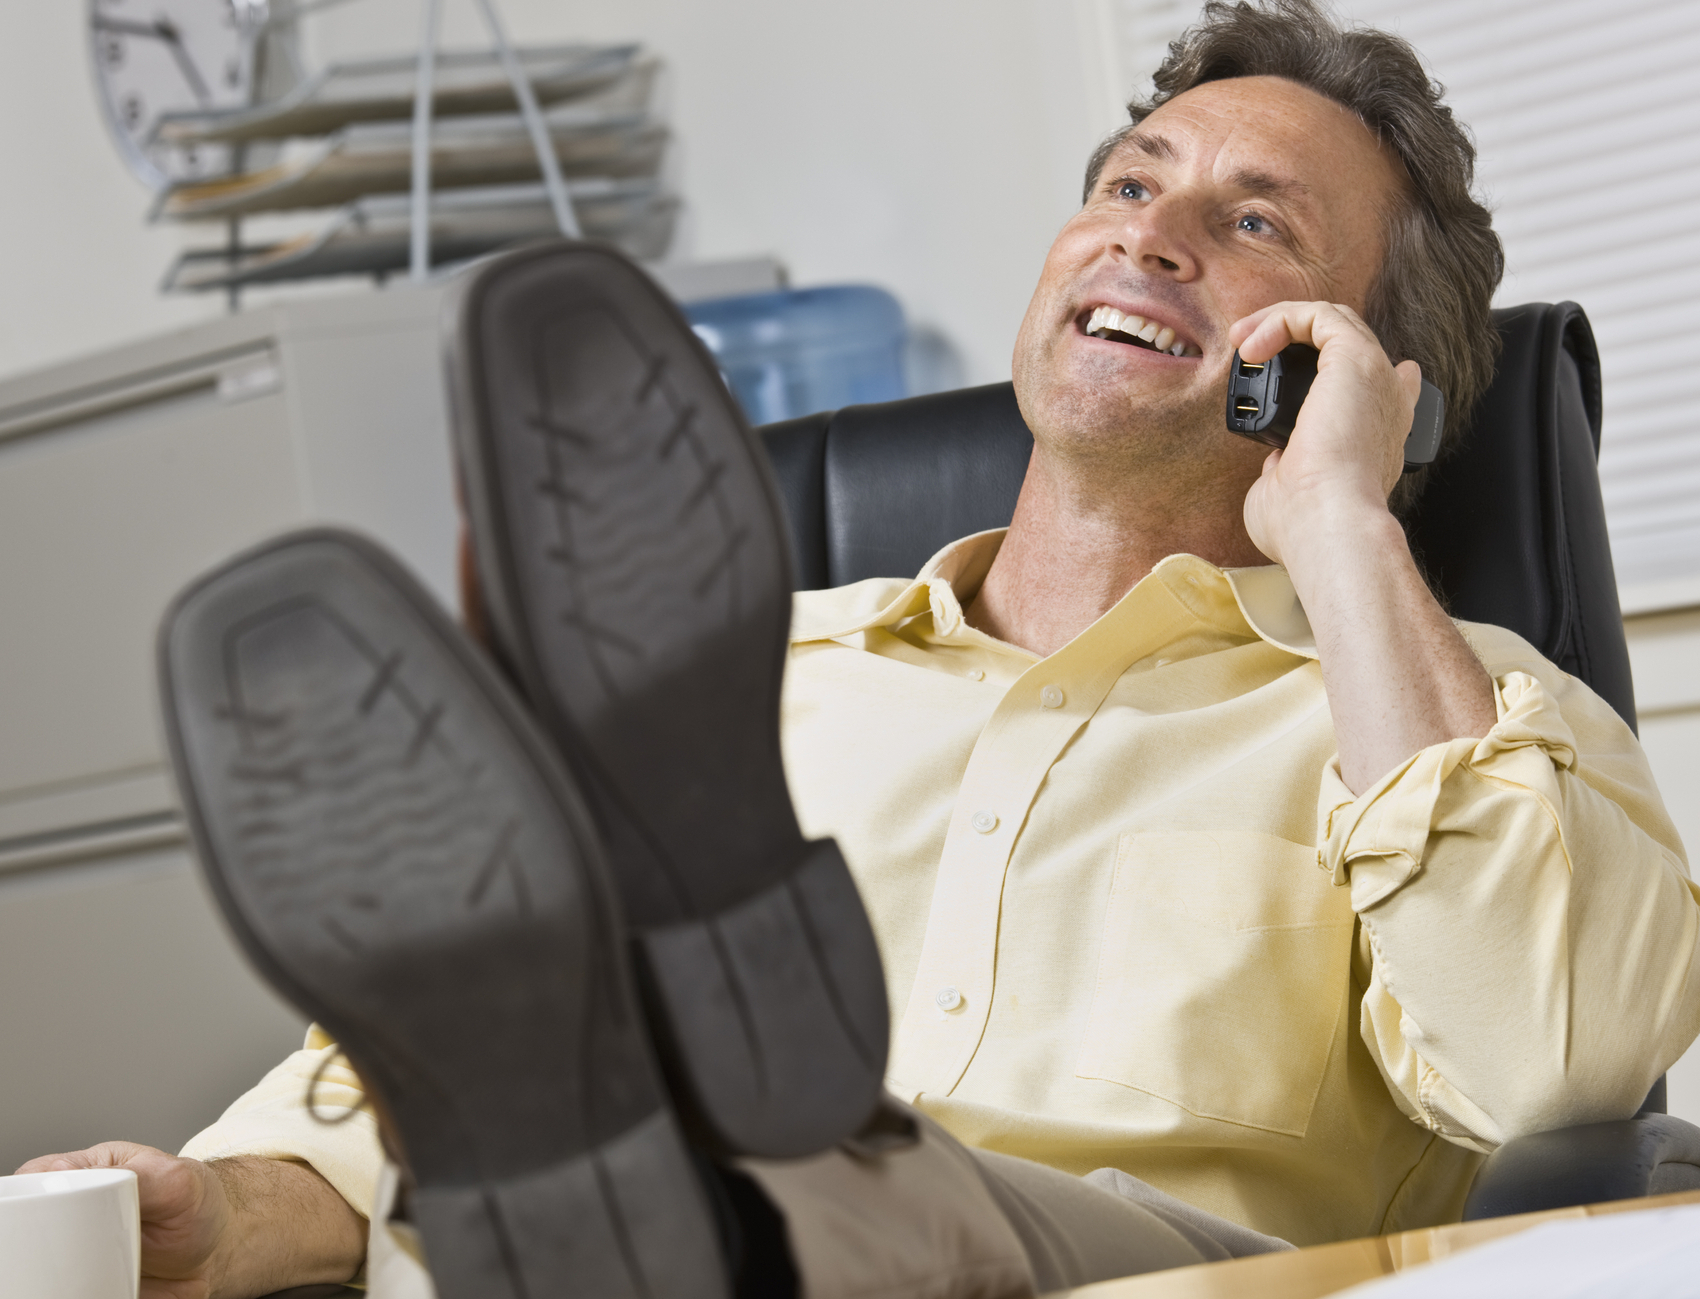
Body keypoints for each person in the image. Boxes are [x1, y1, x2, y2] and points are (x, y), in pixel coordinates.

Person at [20, 2, 1699, 1296]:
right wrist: (221, 1213)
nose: (1148, 233)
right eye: (1130, 184)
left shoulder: (1468, 712)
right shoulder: (748, 668)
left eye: (1256, 225)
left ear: (1359, 376)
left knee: (825, 1175)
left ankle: (723, 1161)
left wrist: (1341, 524)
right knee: (515, 1073)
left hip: (1126, 1272)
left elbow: (1550, 1075)